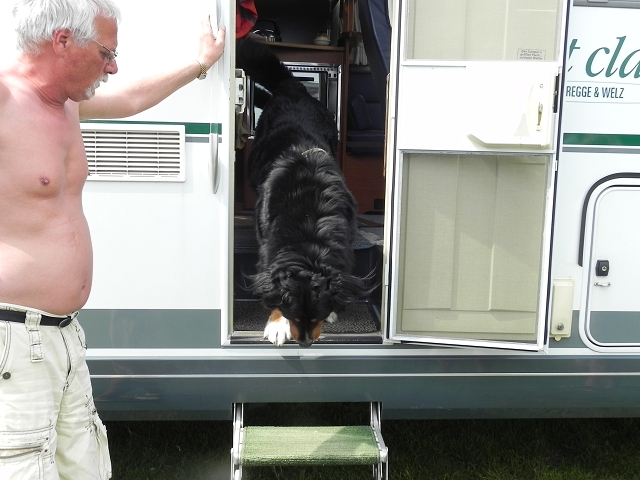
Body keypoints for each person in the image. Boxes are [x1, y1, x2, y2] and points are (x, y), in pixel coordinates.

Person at [0, 0, 225, 478]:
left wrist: (200, 64)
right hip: (14, 343)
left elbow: (131, 99)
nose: (113, 67)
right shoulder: (4, 100)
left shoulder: (67, 105)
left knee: (86, 467)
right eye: (106, 53)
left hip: (64, 336)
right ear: (62, 40)